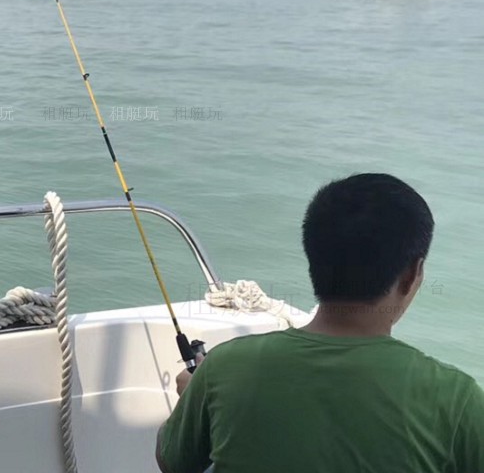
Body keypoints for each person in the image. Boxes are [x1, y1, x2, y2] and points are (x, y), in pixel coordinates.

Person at [156, 173, 484, 473]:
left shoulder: (224, 367)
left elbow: (172, 462)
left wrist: (195, 397)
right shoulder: (456, 400)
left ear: (313, 255)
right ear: (413, 274)